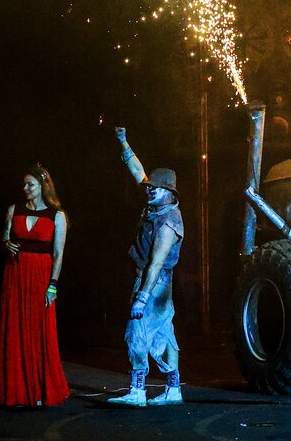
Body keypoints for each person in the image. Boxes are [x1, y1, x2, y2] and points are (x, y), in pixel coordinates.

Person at [108, 127, 185, 407]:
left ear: (169, 191)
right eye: (151, 186)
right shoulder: (157, 206)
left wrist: (142, 297)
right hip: (156, 281)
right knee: (164, 333)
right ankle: (173, 389)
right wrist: (124, 142)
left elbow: (156, 263)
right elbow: (138, 172)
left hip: (154, 282)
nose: (150, 188)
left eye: (156, 187)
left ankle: (137, 390)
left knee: (136, 331)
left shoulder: (169, 221)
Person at [0, 164, 70, 407]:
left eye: (30, 184)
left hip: (41, 277)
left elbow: (58, 254)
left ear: (42, 186)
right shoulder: (14, 210)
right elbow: (5, 237)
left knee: (41, 331)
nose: (25, 188)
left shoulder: (56, 216)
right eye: (24, 184)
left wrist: (53, 286)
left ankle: (41, 390)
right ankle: (18, 392)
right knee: (15, 330)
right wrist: (6, 243)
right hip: (15, 274)